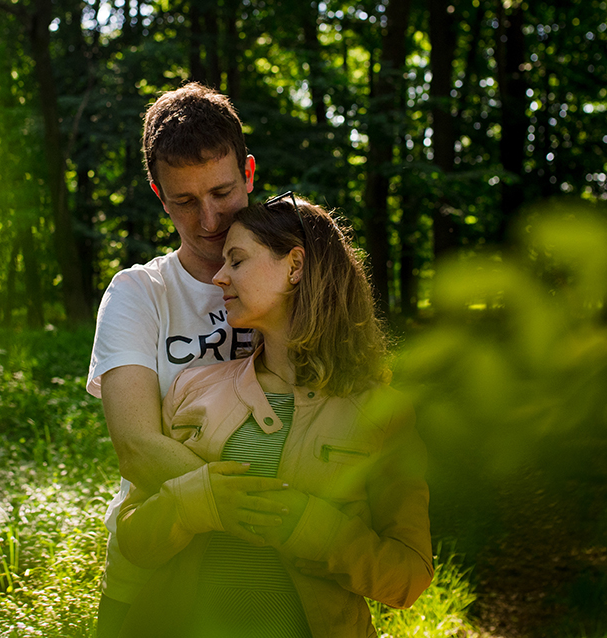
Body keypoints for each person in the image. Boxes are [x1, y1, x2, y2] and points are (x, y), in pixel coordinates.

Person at [115, 194, 434, 638]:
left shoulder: (382, 413)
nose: (220, 276)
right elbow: (132, 540)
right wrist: (192, 503)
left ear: (295, 266)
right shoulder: (194, 387)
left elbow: (409, 578)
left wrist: (316, 529)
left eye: (237, 260)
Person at [86, 83, 291, 637]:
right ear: (158, 193)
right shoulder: (138, 294)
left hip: (281, 579)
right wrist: (278, 508)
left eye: (223, 192)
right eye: (184, 201)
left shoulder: (301, 275)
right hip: (156, 565)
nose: (209, 220)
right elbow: (137, 449)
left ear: (248, 173)